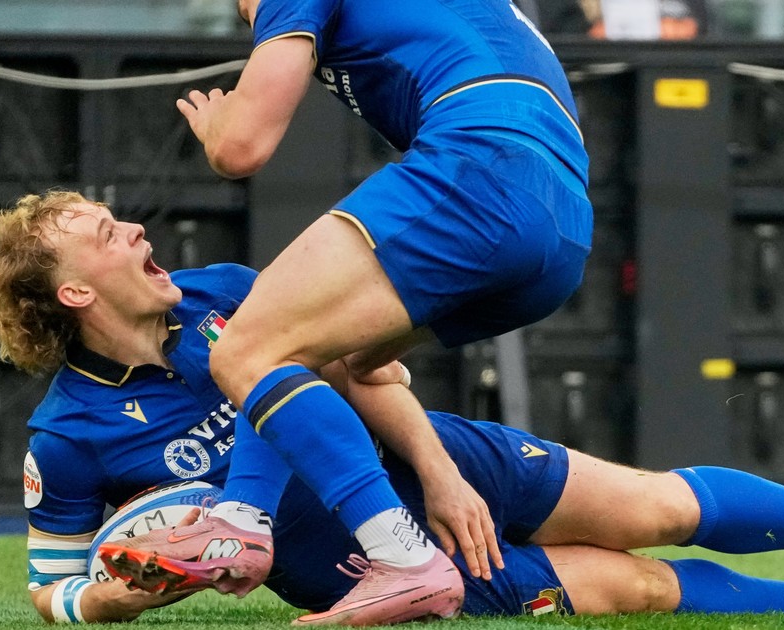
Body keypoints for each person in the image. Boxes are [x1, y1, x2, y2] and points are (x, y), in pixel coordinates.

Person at [0, 193, 784, 625]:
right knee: (635, 587)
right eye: (105, 234)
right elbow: (51, 588)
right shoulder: (67, 435)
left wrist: (440, 473)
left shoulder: (229, 293)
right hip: (346, 570)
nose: (134, 230)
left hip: (440, 466)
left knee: (657, 507)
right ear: (75, 292)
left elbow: (372, 376)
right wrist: (122, 597)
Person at [136, 0, 599, 622]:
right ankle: (244, 518)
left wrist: (218, 129)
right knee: (327, 354)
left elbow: (242, 147)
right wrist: (436, 469)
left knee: (246, 346)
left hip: (484, 168)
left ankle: (396, 555)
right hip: (563, 229)